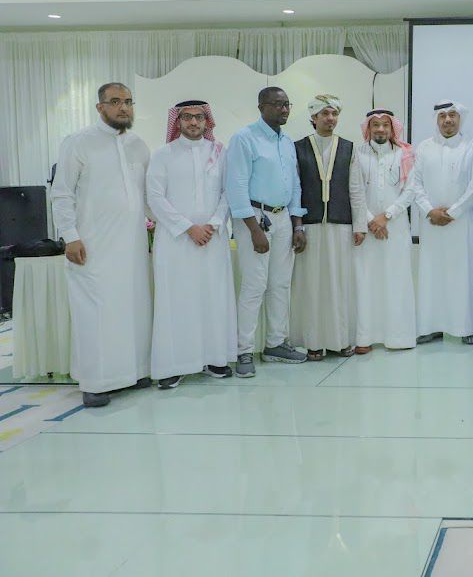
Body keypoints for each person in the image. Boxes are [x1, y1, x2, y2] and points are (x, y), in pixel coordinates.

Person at [51, 83, 153, 407]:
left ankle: (135, 372)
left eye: (128, 102)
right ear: (100, 107)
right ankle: (95, 382)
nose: (123, 108)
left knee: (133, 308)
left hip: (132, 246)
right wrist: (70, 236)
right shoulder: (78, 142)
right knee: (94, 314)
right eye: (115, 102)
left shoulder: (139, 146)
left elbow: (147, 197)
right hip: (92, 246)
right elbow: (61, 193)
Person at [147, 99, 237, 388]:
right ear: (178, 121)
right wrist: (188, 228)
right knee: (177, 301)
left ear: (207, 121)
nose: (194, 122)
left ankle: (214, 359)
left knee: (213, 298)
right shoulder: (163, 155)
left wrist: (213, 223)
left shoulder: (219, 152)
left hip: (212, 239)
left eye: (199, 117)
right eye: (187, 117)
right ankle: (173, 366)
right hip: (176, 242)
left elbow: (228, 192)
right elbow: (155, 197)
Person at [225, 87, 308, 377]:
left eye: (287, 104)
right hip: (254, 218)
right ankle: (244, 350)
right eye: (277, 104)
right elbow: (235, 186)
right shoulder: (244, 138)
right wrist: (253, 230)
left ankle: (275, 344)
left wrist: (297, 224)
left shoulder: (286, 141)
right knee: (254, 285)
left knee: (280, 284)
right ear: (261, 107)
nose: (284, 109)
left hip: (283, 218)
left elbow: (294, 184)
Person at [290, 95, 358, 360]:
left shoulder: (349, 148)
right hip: (310, 226)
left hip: (341, 225)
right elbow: (294, 189)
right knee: (312, 286)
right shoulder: (299, 148)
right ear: (314, 117)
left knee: (338, 284)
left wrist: (359, 226)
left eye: (334, 114)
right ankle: (313, 342)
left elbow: (355, 190)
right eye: (325, 114)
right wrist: (297, 226)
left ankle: (340, 340)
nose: (330, 118)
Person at [410, 100, 473, 344]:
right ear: (437, 120)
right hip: (431, 224)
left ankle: (465, 327)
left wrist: (453, 212)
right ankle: (430, 326)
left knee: (462, 274)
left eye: (452, 115)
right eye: (442, 116)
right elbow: (415, 184)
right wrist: (430, 211)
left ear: (460, 119)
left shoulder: (472, 148)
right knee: (431, 274)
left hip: (461, 223)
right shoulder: (424, 148)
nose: (448, 120)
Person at [351, 109, 419, 351]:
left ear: (392, 129)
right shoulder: (357, 153)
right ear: (368, 128)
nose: (380, 129)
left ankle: (398, 337)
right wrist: (372, 220)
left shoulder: (405, 154)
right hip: (366, 228)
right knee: (365, 281)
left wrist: (386, 216)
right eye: (376, 125)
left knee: (396, 280)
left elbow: (411, 191)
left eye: (385, 125)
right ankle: (364, 338)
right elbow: (354, 190)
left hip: (396, 227)